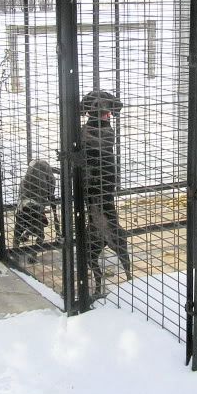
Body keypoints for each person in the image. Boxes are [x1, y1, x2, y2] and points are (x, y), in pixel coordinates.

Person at [81, 89, 132, 297]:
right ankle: (100, 282)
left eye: (106, 106)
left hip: (100, 189)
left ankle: (129, 279)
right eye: (96, 105)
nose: (102, 109)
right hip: (93, 193)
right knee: (100, 232)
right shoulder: (93, 130)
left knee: (108, 228)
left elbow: (100, 145)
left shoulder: (106, 132)